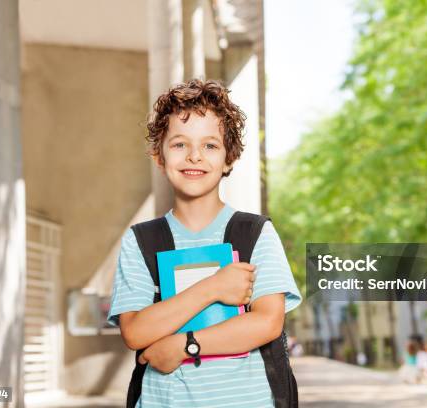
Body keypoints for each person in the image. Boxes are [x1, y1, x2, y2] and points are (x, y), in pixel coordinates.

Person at [107, 79, 302, 407]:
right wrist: (213, 287)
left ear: (229, 159)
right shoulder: (141, 241)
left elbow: (268, 321)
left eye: (210, 146)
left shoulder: (254, 233)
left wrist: (185, 345)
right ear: (159, 155)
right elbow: (136, 332)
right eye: (179, 144)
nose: (194, 156)